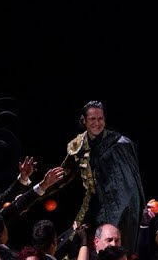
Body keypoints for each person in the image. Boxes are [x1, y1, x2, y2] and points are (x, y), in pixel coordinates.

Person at [61, 101, 145, 250]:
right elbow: (64, 175)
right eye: (92, 119)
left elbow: (133, 184)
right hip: (92, 206)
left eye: (100, 119)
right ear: (84, 121)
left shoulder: (120, 144)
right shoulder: (78, 145)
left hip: (118, 207)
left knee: (115, 248)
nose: (97, 123)